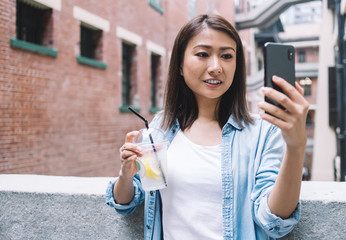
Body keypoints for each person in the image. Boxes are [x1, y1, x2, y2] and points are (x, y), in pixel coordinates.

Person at [106, 14, 309, 240]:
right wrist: (126, 174)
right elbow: (127, 203)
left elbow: (273, 220)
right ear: (180, 66)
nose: (216, 67)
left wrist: (296, 146)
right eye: (203, 54)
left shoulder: (263, 132)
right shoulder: (161, 127)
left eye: (226, 56)